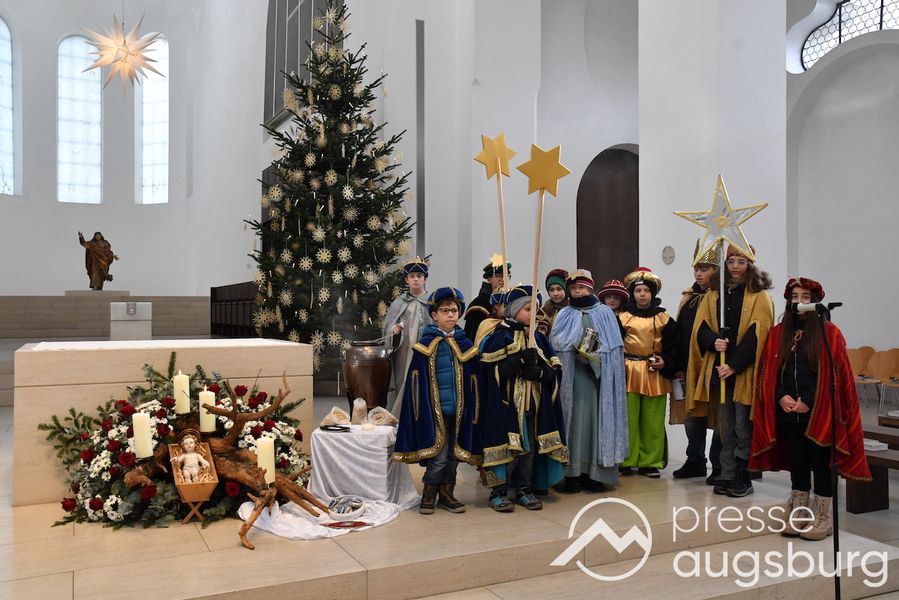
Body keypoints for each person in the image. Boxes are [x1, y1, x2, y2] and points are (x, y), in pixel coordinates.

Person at [750, 277, 871, 540]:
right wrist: (780, 396)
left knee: (820, 463)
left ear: (815, 302)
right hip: (788, 411)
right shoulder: (778, 333)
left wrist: (807, 399)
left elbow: (833, 373)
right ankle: (800, 512)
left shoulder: (829, 333)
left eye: (805, 297)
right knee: (798, 462)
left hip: (818, 412)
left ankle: (823, 517)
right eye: (795, 297)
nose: (799, 302)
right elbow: (769, 373)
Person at [688, 245, 774, 497]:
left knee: (742, 425)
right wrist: (713, 341)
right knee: (725, 427)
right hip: (720, 370)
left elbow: (758, 334)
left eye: (741, 262)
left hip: (743, 371)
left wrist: (734, 365)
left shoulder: (759, 296)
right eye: (731, 262)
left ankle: (743, 476)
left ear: (750, 265)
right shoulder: (714, 294)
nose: (735, 267)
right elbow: (701, 327)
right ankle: (726, 473)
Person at [479, 285, 567, 511]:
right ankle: (499, 491)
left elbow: (554, 371)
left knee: (530, 450)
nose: (533, 314)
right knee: (508, 449)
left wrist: (540, 372)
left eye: (535, 309)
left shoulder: (538, 338)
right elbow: (490, 374)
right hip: (507, 407)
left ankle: (524, 488)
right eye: (528, 309)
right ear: (513, 310)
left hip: (533, 406)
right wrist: (517, 362)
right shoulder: (500, 336)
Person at [393, 287, 480, 514]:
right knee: (439, 458)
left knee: (454, 457)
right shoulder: (426, 344)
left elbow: (473, 381)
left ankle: (447, 494)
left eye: (454, 311)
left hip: (459, 413)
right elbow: (416, 383)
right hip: (435, 412)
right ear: (434, 315)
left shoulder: (465, 344)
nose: (450, 315)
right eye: (444, 311)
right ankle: (429, 493)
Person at [550, 270, 629, 492]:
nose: (577, 292)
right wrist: (571, 351)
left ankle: (595, 474)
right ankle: (572, 473)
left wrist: (595, 357)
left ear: (590, 288)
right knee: (573, 424)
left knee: (596, 423)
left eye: (582, 288)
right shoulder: (564, 314)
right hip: (571, 379)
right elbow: (555, 343)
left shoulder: (604, 313)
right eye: (574, 288)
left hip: (597, 380)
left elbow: (613, 348)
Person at [618, 267, 678, 478]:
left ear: (653, 293)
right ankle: (626, 460)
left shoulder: (664, 319)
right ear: (632, 293)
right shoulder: (622, 318)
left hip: (654, 372)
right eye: (638, 291)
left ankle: (650, 461)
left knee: (653, 419)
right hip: (629, 371)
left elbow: (674, 346)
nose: (642, 294)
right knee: (628, 417)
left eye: (646, 291)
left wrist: (666, 360)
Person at [671, 243, 722, 480]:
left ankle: (719, 464)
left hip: (712, 364)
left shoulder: (720, 297)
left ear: (716, 270)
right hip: (690, 366)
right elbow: (681, 333)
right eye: (696, 269)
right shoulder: (689, 297)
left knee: (719, 416)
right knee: (693, 416)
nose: (699, 274)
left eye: (705, 269)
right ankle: (695, 460)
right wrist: (679, 366)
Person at [383, 257, 432, 416]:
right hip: (404, 351)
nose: (415, 279)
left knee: (424, 381)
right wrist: (394, 331)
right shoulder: (398, 303)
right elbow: (387, 329)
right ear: (406, 279)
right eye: (412, 276)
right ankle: (401, 415)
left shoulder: (432, 302)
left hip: (425, 350)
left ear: (425, 279)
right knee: (403, 380)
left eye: (419, 276)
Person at [463, 258, 510, 341]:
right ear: (489, 279)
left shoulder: (510, 301)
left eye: (507, 276)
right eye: (499, 276)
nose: (503, 280)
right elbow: (472, 337)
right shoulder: (479, 304)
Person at [537, 268, 568, 336]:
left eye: (559, 289)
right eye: (551, 290)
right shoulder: (544, 312)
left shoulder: (573, 310)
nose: (555, 293)